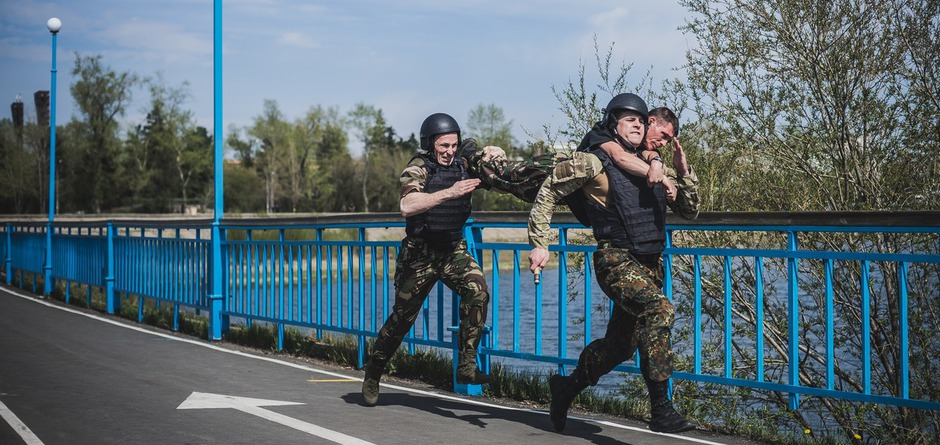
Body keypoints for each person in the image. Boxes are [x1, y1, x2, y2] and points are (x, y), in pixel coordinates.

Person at [527, 93, 699, 434]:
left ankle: (566, 388)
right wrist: (540, 243)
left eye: (640, 120)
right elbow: (548, 192)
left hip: (650, 263)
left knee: (620, 347)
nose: (637, 125)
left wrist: (682, 173)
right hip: (616, 258)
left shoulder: (652, 161)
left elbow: (690, 210)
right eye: (630, 120)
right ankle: (661, 410)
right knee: (659, 311)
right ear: (613, 124)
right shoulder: (596, 159)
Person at [361, 112, 504, 407]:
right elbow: (407, 205)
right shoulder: (418, 168)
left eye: (453, 145)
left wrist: (495, 152)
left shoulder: (464, 161)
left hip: (453, 249)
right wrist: (448, 193)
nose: (449, 152)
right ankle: (374, 371)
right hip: (420, 254)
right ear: (430, 145)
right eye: (443, 147)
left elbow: (487, 161)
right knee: (401, 320)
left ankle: (466, 366)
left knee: (478, 291)